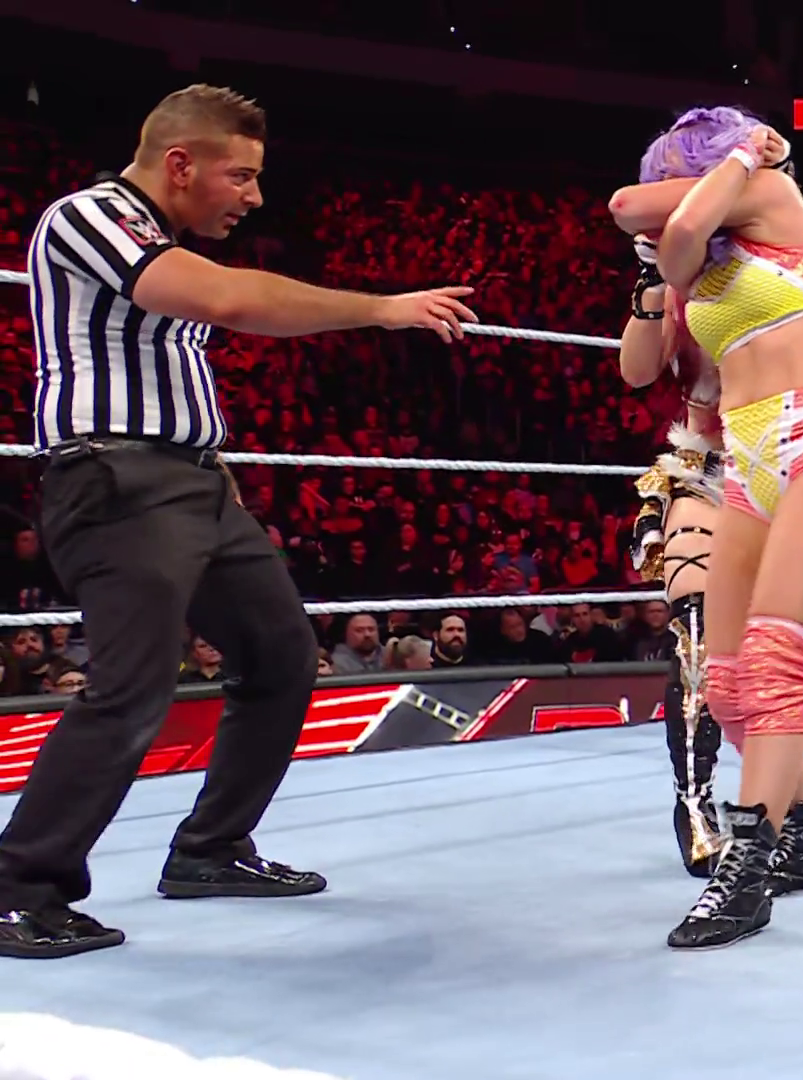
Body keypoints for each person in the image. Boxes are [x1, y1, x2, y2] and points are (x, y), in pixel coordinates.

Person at [0, 84, 476, 960]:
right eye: (242, 176)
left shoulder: (165, 244)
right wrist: (383, 307)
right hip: (115, 477)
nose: (254, 197)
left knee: (281, 656)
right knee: (131, 685)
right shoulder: (89, 216)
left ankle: (211, 849)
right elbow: (230, 301)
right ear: (180, 164)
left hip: (193, 482)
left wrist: (216, 478)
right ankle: (19, 889)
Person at [609, 108, 803, 949]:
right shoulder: (693, 269)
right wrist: (655, 276)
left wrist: (749, 156)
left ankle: (747, 868)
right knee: (722, 684)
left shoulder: (773, 195)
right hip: (744, 464)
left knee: (775, 654)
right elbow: (640, 353)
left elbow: (641, 209)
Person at [619, 244, 803, 886]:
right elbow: (636, 371)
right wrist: (653, 284)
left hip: (788, 465)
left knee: (796, 652)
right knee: (701, 632)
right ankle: (696, 809)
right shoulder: (678, 285)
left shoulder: (790, 269)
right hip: (707, 469)